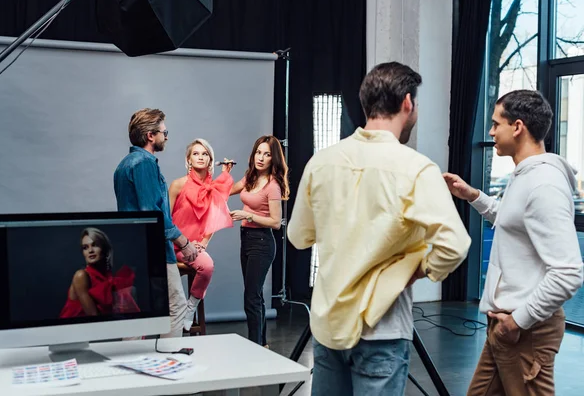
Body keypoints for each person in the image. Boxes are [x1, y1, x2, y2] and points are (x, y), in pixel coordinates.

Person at [287, 62, 472, 395]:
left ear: (365, 104)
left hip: (328, 324)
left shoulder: (322, 163)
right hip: (383, 328)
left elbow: (298, 237)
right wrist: (421, 269)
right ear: (407, 102)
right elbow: (454, 245)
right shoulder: (416, 168)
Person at [443, 90, 584, 396]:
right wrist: (474, 196)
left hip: (525, 330)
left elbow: (569, 272)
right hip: (505, 327)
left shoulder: (544, 184)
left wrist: (518, 321)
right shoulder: (524, 177)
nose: (491, 131)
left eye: (496, 124)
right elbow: (513, 218)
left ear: (517, 127)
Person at [114, 108, 198, 338]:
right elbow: (153, 214)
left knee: (134, 311)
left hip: (131, 250)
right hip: (151, 250)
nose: (167, 136)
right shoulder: (144, 163)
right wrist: (184, 242)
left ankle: (132, 366)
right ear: (151, 135)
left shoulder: (124, 164)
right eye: (164, 131)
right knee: (176, 306)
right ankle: (170, 361)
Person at [168, 138, 235, 331]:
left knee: (207, 266)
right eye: (196, 153)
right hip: (175, 243)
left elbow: (214, 219)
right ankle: (173, 315)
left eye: (205, 154)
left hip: (195, 245)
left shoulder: (212, 188)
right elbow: (166, 217)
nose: (200, 157)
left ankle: (190, 307)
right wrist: (182, 243)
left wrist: (203, 243)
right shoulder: (178, 185)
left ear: (210, 160)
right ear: (188, 159)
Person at [229, 135, 289, 347]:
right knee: (255, 297)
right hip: (246, 239)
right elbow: (225, 192)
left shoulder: (273, 185)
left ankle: (254, 346)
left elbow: (275, 222)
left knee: (251, 298)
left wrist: (248, 216)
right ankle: (261, 344)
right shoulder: (250, 178)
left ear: (274, 159)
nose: (261, 158)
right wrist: (224, 174)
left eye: (267, 154)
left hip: (262, 242)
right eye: (258, 152)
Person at [60, 228, 139, 318]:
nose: (90, 251)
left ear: (104, 248)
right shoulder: (81, 276)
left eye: (95, 245)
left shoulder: (108, 276)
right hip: (74, 330)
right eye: (85, 247)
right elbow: (95, 318)